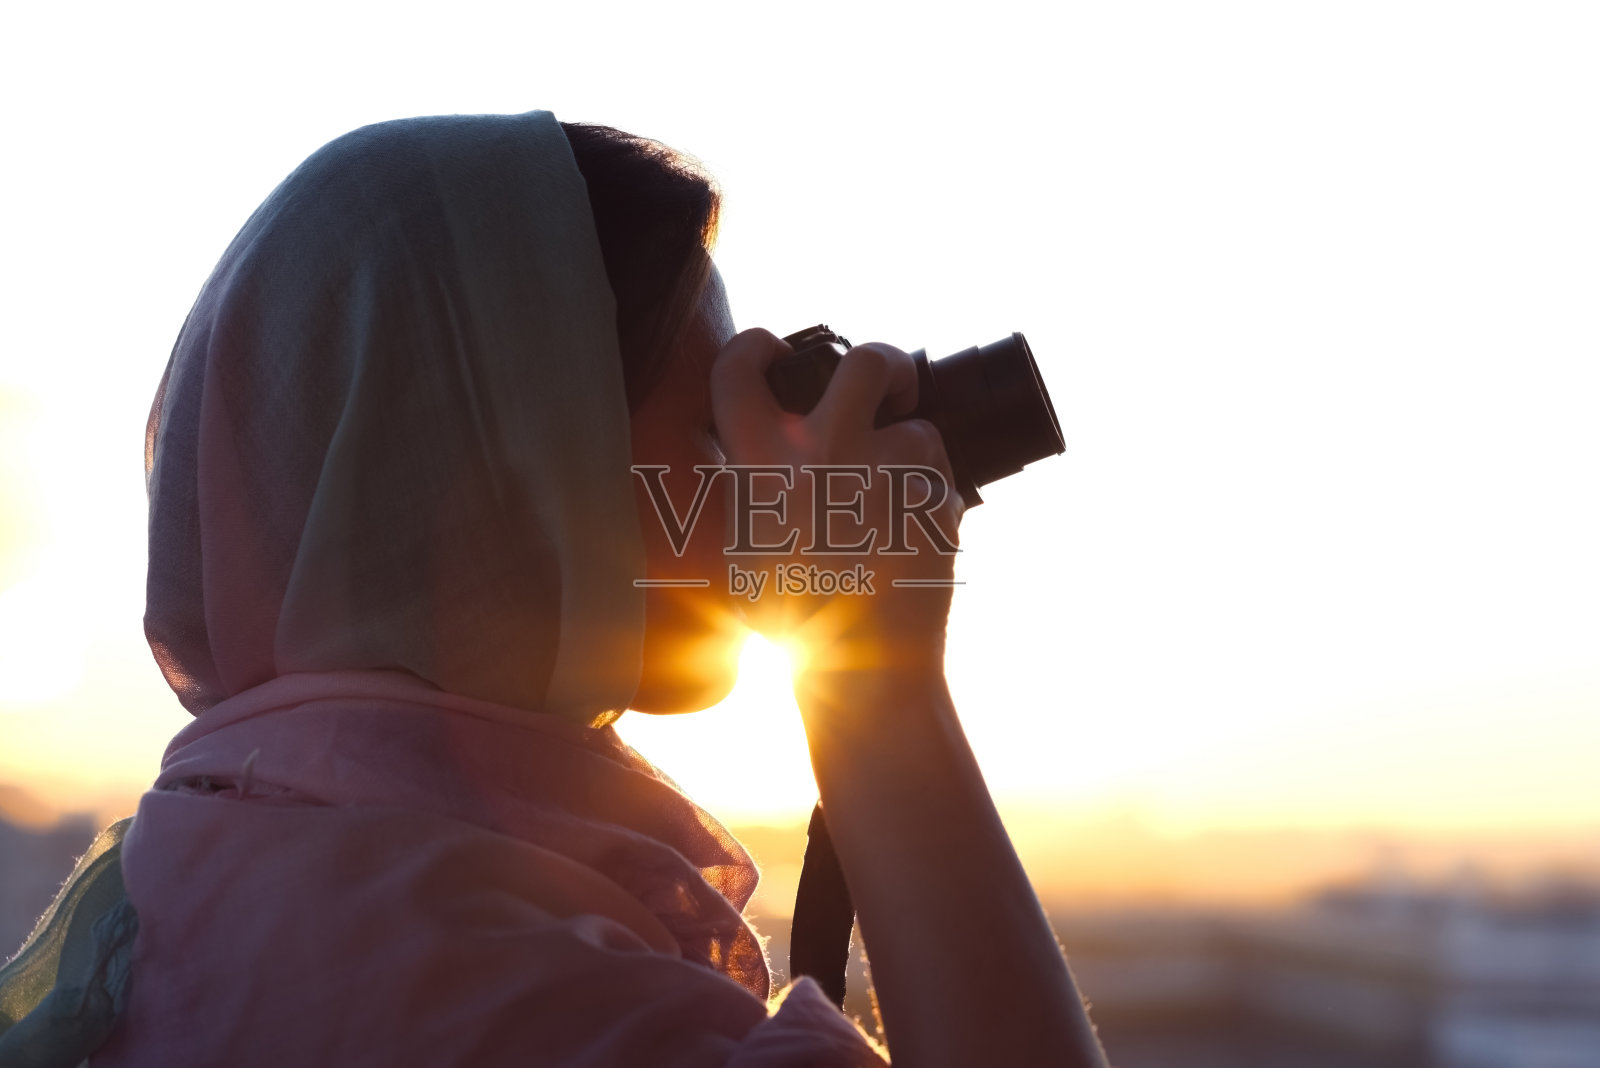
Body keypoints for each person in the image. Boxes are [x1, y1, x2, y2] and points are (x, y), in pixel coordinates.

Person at [0, 111, 1107, 1066]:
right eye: (712, 425)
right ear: (516, 472)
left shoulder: (211, 863)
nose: (761, 478)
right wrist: (881, 685)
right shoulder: (485, 985)